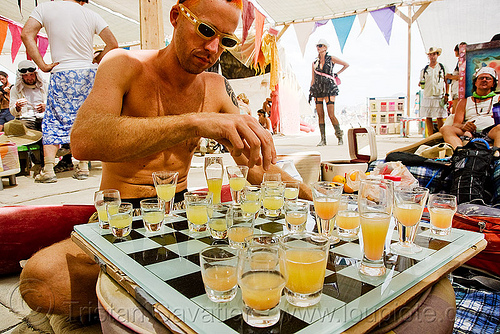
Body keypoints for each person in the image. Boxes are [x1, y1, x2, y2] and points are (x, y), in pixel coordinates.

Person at [20, 0, 312, 320]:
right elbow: (84, 142)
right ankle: (170, 291)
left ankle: (148, 292)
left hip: (185, 217)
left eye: (226, 40)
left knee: (266, 254)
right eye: (205, 30)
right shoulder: (123, 63)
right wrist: (196, 122)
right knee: (40, 282)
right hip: (122, 216)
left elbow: (255, 168)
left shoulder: (215, 87)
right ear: (176, 17)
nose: (213, 47)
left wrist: (311, 192)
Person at [21, 0, 118, 183]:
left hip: (62, 71)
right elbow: (113, 44)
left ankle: (49, 169)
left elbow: (26, 34)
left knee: (53, 119)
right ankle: (82, 167)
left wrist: (42, 65)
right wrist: (97, 59)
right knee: (83, 118)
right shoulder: (90, 14)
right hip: (87, 73)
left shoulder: (45, 8)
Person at [440, 67, 499, 149]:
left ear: (493, 84)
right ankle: (460, 153)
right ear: (475, 83)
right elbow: (456, 124)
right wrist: (464, 126)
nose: (484, 80)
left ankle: (496, 155)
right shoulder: (464, 102)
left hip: (491, 132)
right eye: (481, 78)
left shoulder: (498, 98)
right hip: (469, 133)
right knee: (446, 129)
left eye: (488, 78)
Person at [309, 39, 349, 146]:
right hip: (318, 88)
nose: (318, 48)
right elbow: (313, 78)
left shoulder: (331, 58)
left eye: (320, 45)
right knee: (320, 115)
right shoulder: (314, 62)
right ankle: (323, 139)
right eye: (317, 46)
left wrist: (335, 74)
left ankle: (339, 136)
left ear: (325, 47)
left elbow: (346, 64)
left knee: (331, 114)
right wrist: (310, 90)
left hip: (329, 87)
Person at [9, 60, 47, 132]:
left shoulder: (45, 86)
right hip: (26, 119)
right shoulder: (16, 89)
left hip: (44, 118)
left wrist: (46, 106)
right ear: (21, 76)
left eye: (31, 74)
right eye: (26, 75)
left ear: (36, 74)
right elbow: (12, 111)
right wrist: (17, 107)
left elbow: (55, 104)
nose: (29, 78)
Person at [419, 47, 448, 136]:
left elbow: (447, 81)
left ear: (437, 55)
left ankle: (441, 135)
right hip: (428, 94)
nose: (432, 57)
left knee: (439, 116)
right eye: (430, 54)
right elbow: (421, 82)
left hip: (438, 95)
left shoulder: (442, 67)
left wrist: (447, 94)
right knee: (428, 117)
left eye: (434, 54)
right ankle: (430, 136)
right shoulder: (424, 70)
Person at [445, 42, 467, 114]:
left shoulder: (463, 61)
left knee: (456, 110)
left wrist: (451, 77)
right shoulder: (460, 61)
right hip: (455, 90)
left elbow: (462, 76)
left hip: (459, 90)